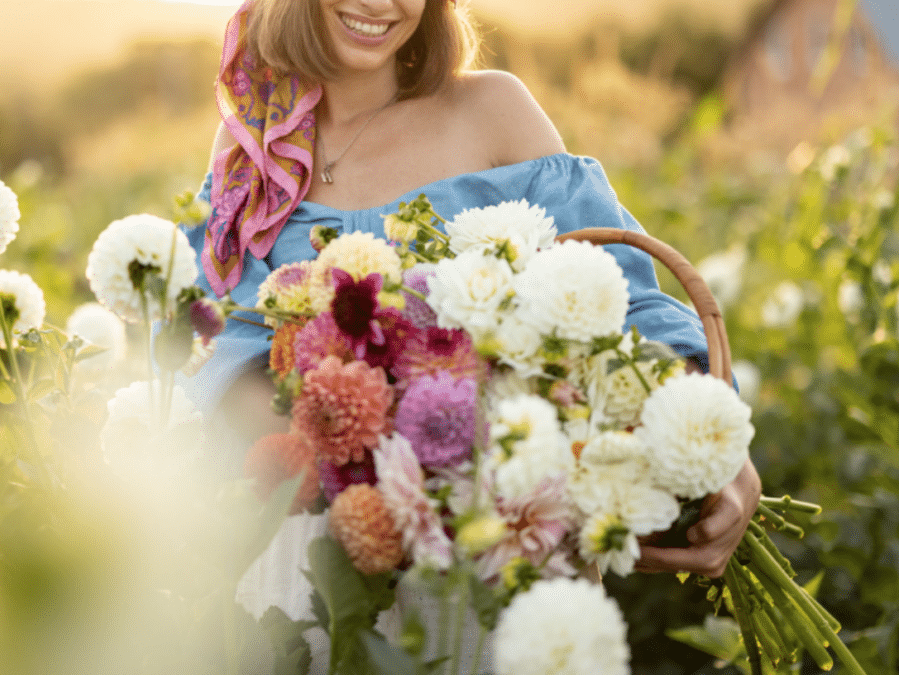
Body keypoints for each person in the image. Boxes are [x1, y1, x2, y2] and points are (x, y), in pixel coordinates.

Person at [181, 0, 761, 668]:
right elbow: (207, 347)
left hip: (497, 550)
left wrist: (712, 436)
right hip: (313, 570)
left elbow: (624, 296)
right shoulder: (253, 142)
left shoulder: (492, 111)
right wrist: (354, 441)